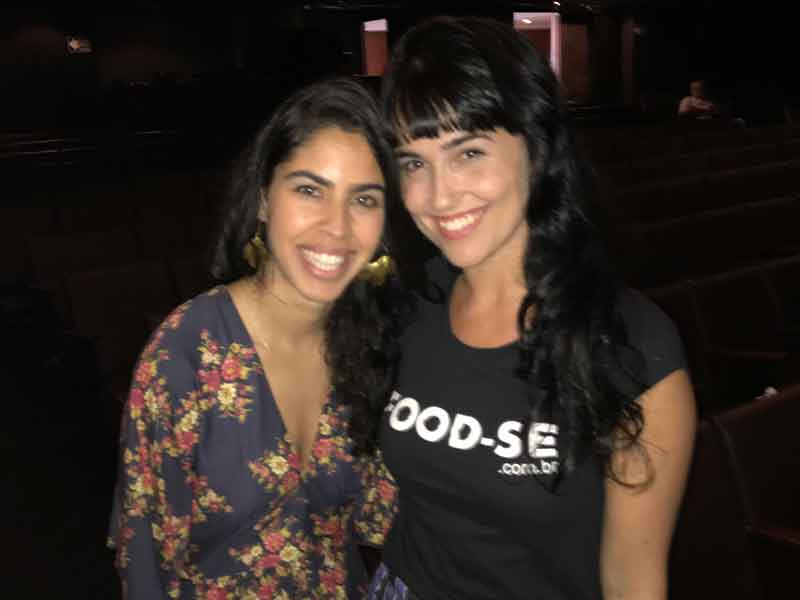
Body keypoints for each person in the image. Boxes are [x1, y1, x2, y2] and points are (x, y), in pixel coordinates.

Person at [369, 16, 697, 600]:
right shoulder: (409, 303)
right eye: (413, 163)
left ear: (537, 148)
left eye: (469, 152)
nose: (438, 196)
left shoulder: (630, 347)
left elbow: (633, 582)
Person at [107, 77, 402, 599]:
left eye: (363, 199)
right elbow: (145, 558)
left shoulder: (370, 342)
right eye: (309, 190)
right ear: (264, 199)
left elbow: (385, 517)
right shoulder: (186, 354)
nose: (337, 227)